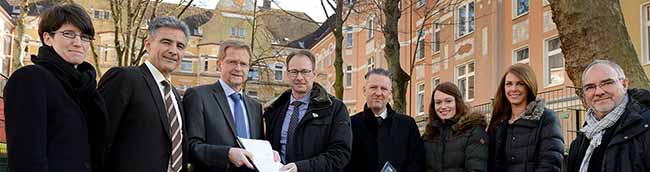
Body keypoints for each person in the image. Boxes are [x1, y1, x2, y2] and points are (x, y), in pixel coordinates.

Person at [4, 4, 106, 172]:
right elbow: (26, 158)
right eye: (68, 34)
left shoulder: (86, 88)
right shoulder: (31, 79)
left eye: (85, 36)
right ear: (47, 38)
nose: (78, 42)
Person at [98, 16, 190, 172]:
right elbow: (98, 138)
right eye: (166, 42)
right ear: (148, 45)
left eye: (180, 46)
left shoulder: (174, 94)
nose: (173, 51)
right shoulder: (124, 78)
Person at [183, 40, 268, 172]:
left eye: (243, 64)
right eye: (232, 62)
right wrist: (227, 154)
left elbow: (256, 147)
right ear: (219, 64)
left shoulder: (255, 106)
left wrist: (268, 155)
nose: (238, 68)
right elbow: (191, 147)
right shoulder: (198, 96)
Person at [264, 50, 352, 172]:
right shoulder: (273, 110)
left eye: (305, 71)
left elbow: (340, 155)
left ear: (314, 74)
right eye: (294, 72)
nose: (299, 77)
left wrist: (300, 168)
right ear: (287, 74)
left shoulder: (335, 109)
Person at [566, 59, 650, 172]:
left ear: (624, 84)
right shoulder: (583, 138)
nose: (598, 92)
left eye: (607, 83)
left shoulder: (645, 126)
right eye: (590, 87)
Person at [487, 63, 564, 172]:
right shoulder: (499, 124)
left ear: (528, 86)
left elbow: (550, 164)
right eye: (509, 84)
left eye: (520, 84)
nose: (513, 89)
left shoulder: (547, 119)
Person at [344, 68, 424, 172]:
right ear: (364, 90)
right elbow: (345, 163)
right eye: (373, 87)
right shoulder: (351, 125)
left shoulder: (407, 125)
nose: (378, 93)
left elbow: (417, 162)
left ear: (390, 93)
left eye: (384, 89)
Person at [423, 82, 488, 172]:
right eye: (438, 102)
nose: (443, 106)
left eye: (448, 101)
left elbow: (477, 168)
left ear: (457, 102)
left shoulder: (473, 131)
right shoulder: (428, 135)